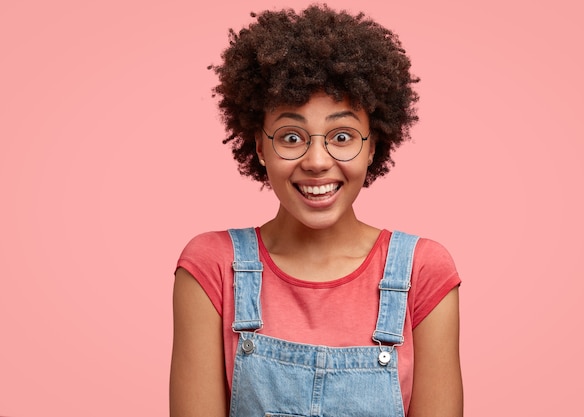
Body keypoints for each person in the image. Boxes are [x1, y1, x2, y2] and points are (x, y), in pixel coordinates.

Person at [169, 4, 463, 417]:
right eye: (291, 136)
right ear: (259, 145)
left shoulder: (422, 271)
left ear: (372, 144)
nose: (317, 161)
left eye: (342, 136)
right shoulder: (212, 268)